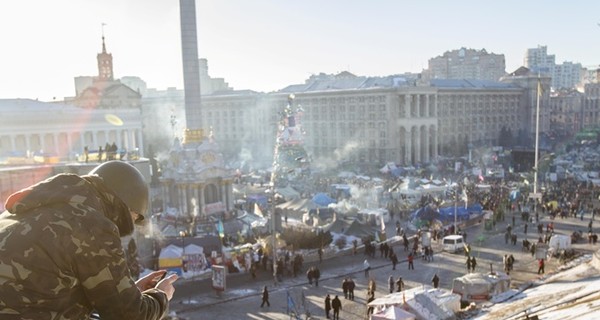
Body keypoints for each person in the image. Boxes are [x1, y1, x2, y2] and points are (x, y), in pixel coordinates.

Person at [0, 160, 177, 319]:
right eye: (135, 217)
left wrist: (131, 292)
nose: (132, 222)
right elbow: (129, 316)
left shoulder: (24, 210)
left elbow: (50, 288)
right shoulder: (93, 226)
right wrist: (161, 296)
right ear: (126, 207)